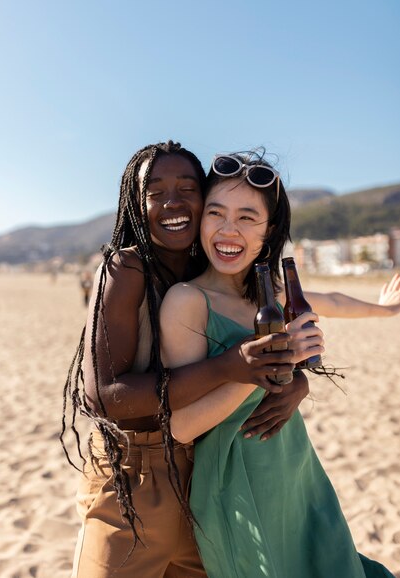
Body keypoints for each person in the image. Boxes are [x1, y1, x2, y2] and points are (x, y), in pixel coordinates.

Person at [61, 141, 310, 578]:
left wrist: (296, 383)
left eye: (186, 188)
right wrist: (231, 367)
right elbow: (104, 396)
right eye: (155, 191)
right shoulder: (126, 268)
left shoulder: (209, 270)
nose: (172, 202)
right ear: (136, 203)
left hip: (203, 479)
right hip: (130, 480)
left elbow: (269, 338)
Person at [160, 149, 399, 578]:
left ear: (268, 233)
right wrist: (272, 364)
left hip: (296, 466)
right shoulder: (187, 301)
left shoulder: (267, 291)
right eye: (216, 213)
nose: (228, 229)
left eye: (247, 217)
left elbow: (331, 300)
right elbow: (180, 427)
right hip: (238, 483)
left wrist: (386, 310)